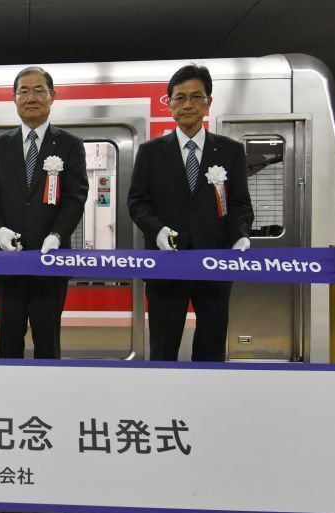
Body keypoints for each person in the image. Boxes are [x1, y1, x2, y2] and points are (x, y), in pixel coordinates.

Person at [127, 64, 254, 362]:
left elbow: (240, 204)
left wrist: (241, 236)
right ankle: (164, 402)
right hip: (165, 265)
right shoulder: (150, 152)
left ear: (208, 102)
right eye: (179, 97)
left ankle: (206, 403)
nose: (187, 105)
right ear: (169, 103)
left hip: (215, 264)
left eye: (196, 97)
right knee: (163, 346)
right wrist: (157, 231)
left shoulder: (231, 151)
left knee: (211, 346)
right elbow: (137, 202)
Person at [0, 67, 88, 358]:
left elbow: (75, 198)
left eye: (39, 90)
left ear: (53, 96)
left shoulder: (70, 145)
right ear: (14, 99)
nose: (31, 97)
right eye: (23, 91)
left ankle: (46, 397)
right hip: (7, 261)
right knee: (8, 338)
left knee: (47, 339)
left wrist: (57, 234)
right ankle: (7, 397)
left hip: (51, 261)